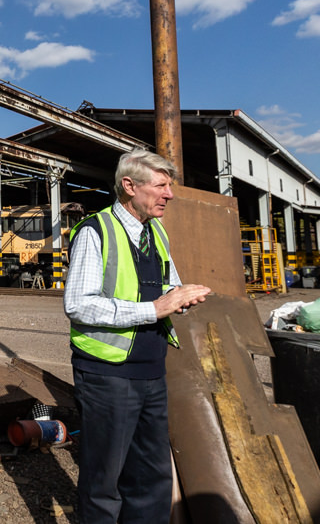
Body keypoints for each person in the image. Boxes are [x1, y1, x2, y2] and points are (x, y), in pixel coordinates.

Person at [64, 149, 211, 524]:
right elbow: (79, 305)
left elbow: (168, 284)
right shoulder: (95, 232)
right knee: (104, 480)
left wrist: (181, 296)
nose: (170, 194)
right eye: (161, 185)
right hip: (107, 374)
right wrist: (155, 309)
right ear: (129, 186)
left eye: (169, 185)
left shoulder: (156, 231)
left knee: (152, 476)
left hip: (151, 371)